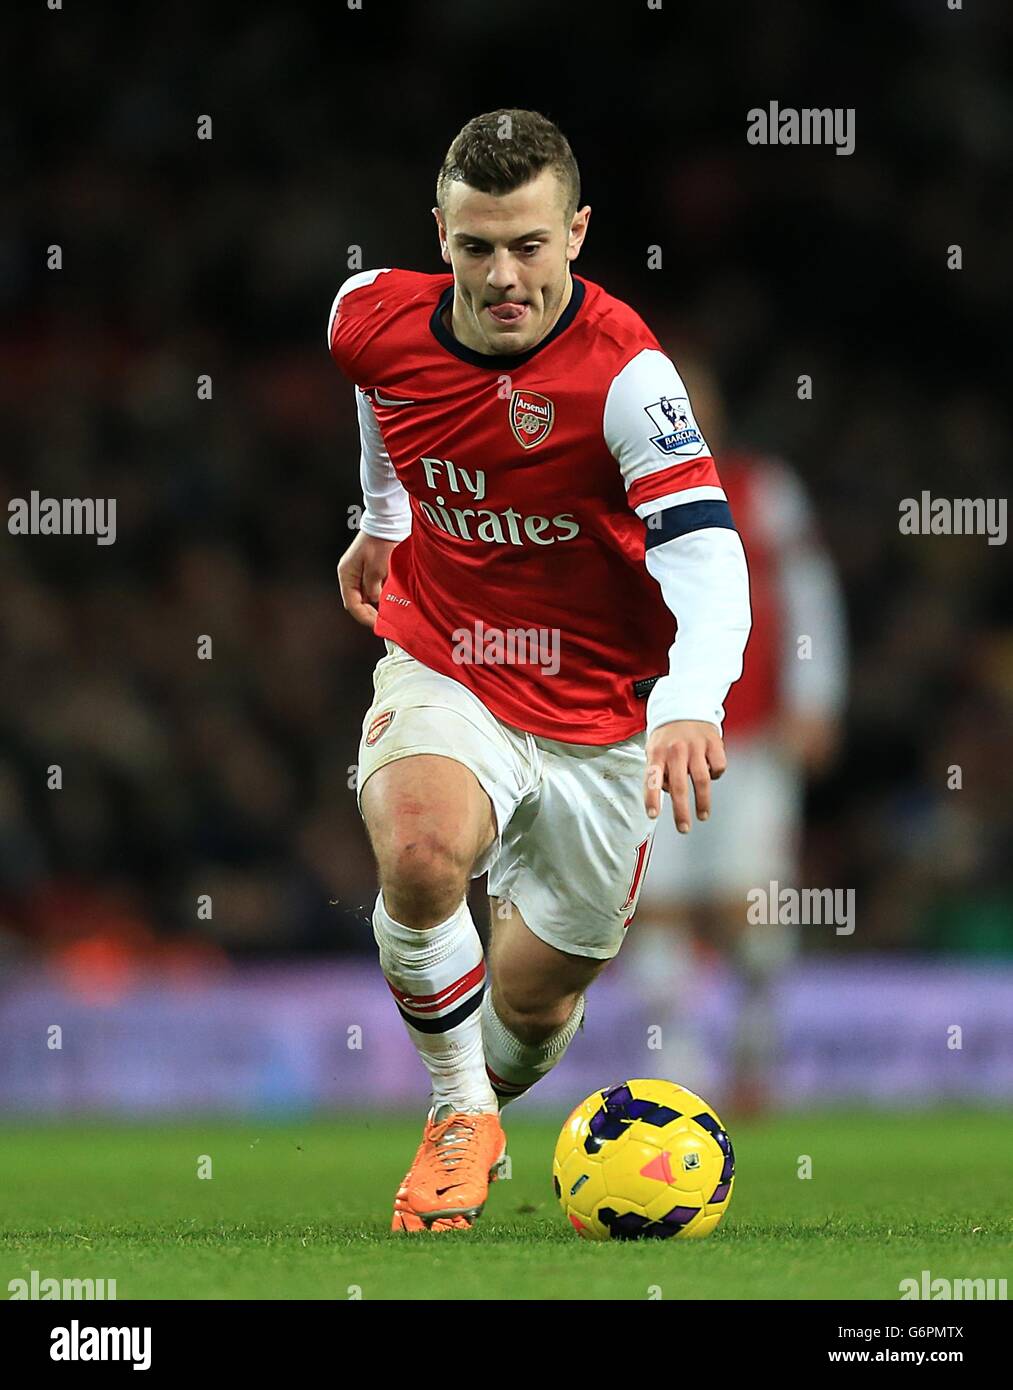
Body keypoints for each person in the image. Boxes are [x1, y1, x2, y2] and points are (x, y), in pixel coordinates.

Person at [329, 109, 751, 1232]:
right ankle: (459, 1110)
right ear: (440, 233)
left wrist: (686, 703)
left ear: (575, 232)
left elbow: (706, 550)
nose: (501, 275)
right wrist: (379, 518)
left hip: (599, 713)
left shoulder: (625, 374)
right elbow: (378, 398)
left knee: (531, 1000)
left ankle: (487, 1089)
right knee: (420, 852)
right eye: (474, 247)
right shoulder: (369, 315)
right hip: (446, 655)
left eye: (527, 245)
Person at [629, 361, 847, 1112]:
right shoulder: (615, 494)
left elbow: (807, 591)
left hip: (748, 735)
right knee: (652, 903)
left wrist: (814, 695)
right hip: (642, 737)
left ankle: (755, 1049)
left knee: (748, 908)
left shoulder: (760, 485)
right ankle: (681, 1067)